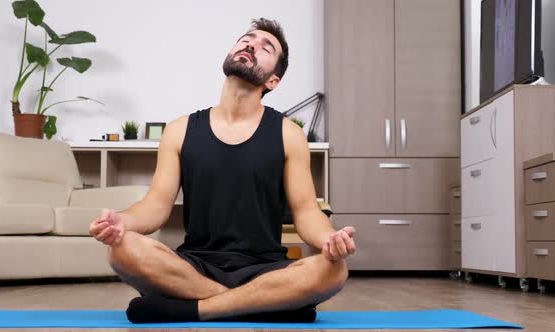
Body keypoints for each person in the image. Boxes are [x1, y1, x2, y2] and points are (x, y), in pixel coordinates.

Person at [89, 17, 356, 323]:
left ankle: (193, 309)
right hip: (195, 267)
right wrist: (120, 221)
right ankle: (265, 305)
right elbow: (155, 207)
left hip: (264, 268)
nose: (251, 45)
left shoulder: (288, 134)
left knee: (334, 269)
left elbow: (307, 212)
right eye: (247, 39)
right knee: (121, 250)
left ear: (273, 81)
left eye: (265, 47)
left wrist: (330, 239)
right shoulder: (179, 130)